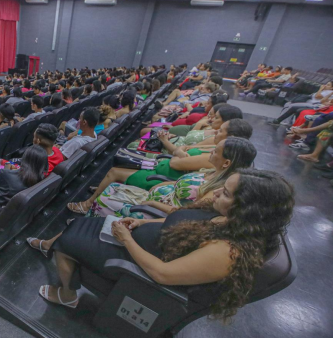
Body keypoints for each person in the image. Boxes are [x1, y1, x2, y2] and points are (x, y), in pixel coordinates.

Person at [31, 169, 294, 319]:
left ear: (248, 209)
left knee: (68, 239)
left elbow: (162, 274)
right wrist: (142, 224)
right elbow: (185, 226)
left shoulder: (228, 252)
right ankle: (61, 257)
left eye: (225, 193)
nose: (215, 192)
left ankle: (67, 295)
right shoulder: (230, 220)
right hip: (143, 243)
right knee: (78, 225)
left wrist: (127, 239)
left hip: (138, 264)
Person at [67, 118, 254, 214]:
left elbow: (176, 162)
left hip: (158, 176)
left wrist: (176, 151)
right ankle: (101, 190)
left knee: (115, 171)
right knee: (118, 167)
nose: (215, 130)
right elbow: (186, 150)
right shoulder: (216, 166)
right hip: (162, 178)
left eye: (220, 130)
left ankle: (88, 204)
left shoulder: (218, 182)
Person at [87, 137, 257, 218]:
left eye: (215, 151)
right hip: (155, 198)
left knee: (105, 197)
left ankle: (91, 224)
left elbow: (187, 214)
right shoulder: (212, 171)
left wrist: (154, 202)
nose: (210, 152)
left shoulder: (218, 189)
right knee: (111, 189)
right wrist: (165, 185)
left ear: (226, 163)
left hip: (155, 213)